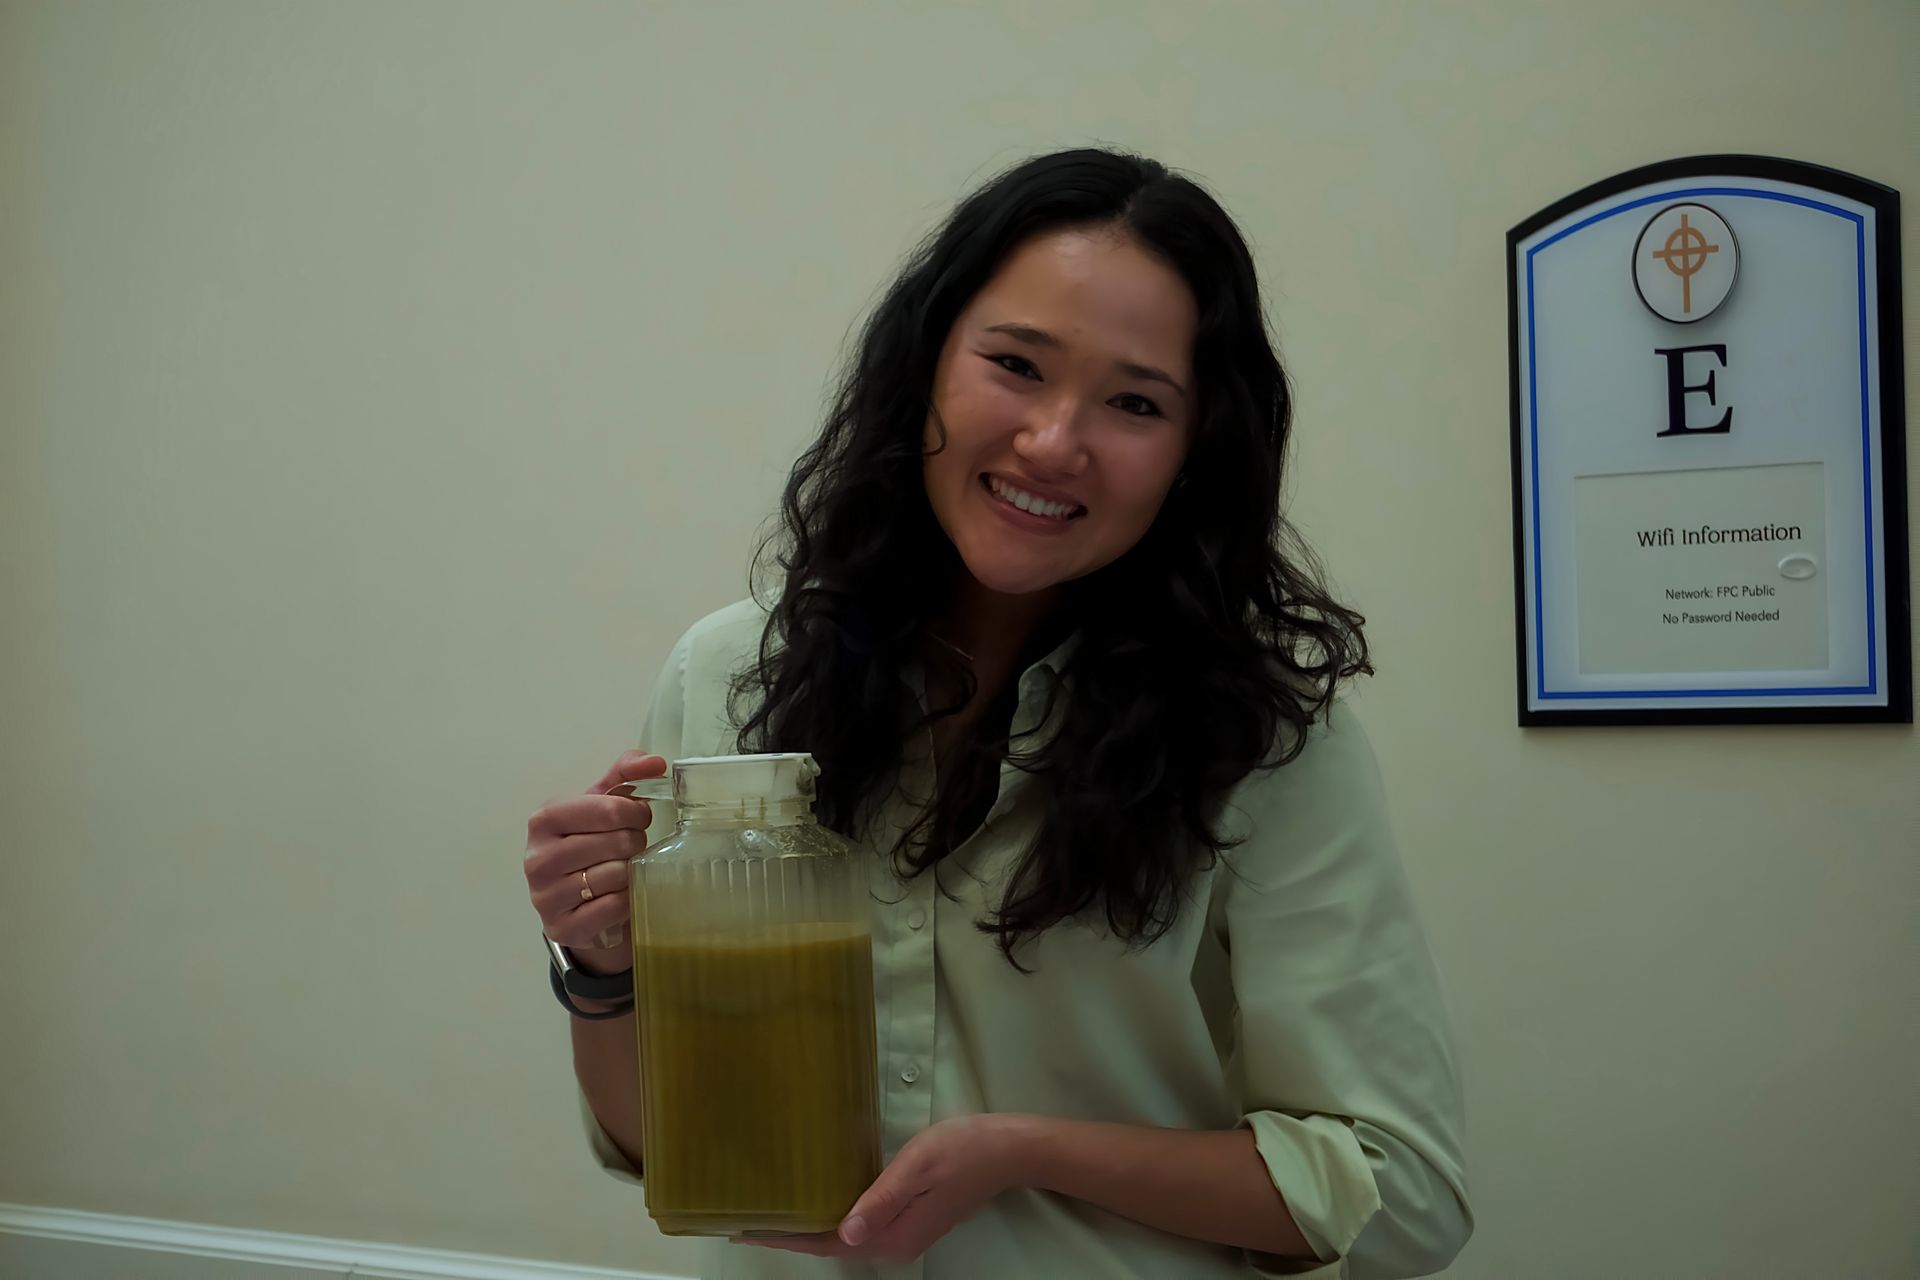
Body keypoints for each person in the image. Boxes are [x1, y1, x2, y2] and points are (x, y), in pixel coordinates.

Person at [523, 148, 1472, 1279]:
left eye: (1134, 401)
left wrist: (1027, 1150)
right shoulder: (731, 670)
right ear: (927, 363)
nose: (1054, 441)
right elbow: (663, 1148)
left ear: (1193, 448)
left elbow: (1403, 1192)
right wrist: (600, 964)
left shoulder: (1259, 740)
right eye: (1017, 364)